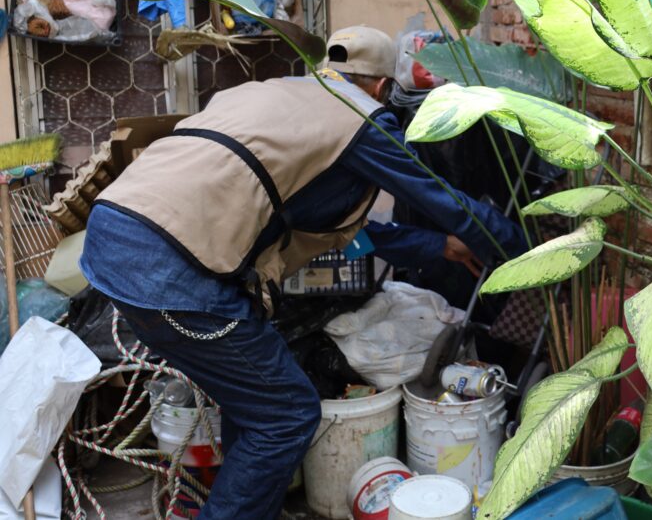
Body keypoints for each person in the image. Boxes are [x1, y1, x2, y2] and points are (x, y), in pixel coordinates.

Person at [79, 26, 527, 520]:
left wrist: (438, 245)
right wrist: (524, 253)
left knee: (251, 402)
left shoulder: (274, 96)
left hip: (111, 237)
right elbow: (445, 200)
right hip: (172, 269)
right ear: (381, 88)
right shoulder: (362, 118)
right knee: (287, 414)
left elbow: (347, 234)